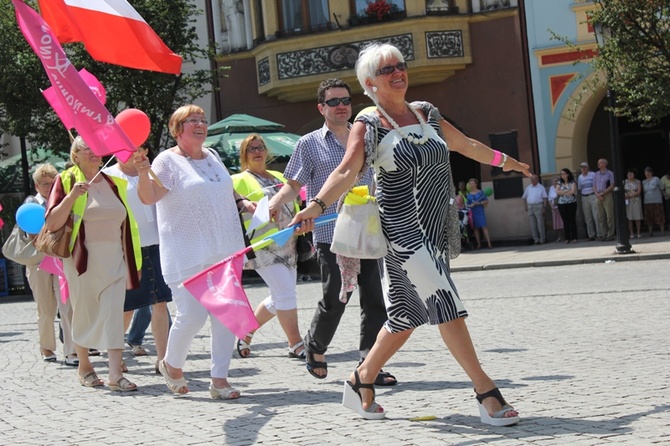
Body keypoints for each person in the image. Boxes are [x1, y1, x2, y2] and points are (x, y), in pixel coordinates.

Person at [288, 42, 529, 425]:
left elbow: (465, 145)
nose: (398, 72)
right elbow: (347, 171)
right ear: (370, 82)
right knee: (445, 300)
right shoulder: (369, 122)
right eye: (387, 70)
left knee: (406, 315)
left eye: (400, 65)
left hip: (434, 232)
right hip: (402, 233)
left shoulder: (426, 113)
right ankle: (486, 392)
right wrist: (315, 205)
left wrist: (508, 162)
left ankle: (360, 379)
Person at [268, 78, 396, 387]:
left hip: (367, 230)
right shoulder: (309, 143)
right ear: (321, 107)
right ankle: (315, 346)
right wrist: (275, 202)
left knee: (375, 298)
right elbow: (294, 184)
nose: (341, 106)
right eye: (334, 102)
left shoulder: (366, 137)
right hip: (330, 233)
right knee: (337, 295)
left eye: (345, 100)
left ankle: (370, 363)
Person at [135, 104, 252, 399]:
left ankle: (219, 379)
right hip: (187, 250)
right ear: (177, 130)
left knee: (225, 314)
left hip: (225, 248)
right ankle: (172, 365)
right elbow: (150, 197)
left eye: (202, 119)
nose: (200, 124)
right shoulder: (166, 161)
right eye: (192, 121)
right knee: (192, 316)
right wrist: (142, 172)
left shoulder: (212, 156)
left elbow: (226, 189)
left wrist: (245, 204)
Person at [44, 137, 142, 391]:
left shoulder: (114, 182)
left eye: (97, 146)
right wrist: (72, 196)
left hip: (115, 258)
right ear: (75, 155)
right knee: (84, 312)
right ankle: (84, 364)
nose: (95, 151)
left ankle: (114, 373)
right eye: (87, 146)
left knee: (112, 313)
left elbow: (127, 224)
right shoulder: (65, 180)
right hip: (82, 260)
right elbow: (52, 223)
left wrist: (134, 259)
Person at [231, 133, 305, 360]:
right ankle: (296, 344)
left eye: (260, 147)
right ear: (244, 155)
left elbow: (295, 202)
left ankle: (246, 333)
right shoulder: (237, 180)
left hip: (288, 242)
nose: (257, 151)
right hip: (262, 246)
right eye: (251, 148)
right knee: (285, 294)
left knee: (279, 297)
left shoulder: (279, 175)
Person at [104, 144, 172, 372]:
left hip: (158, 244)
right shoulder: (109, 175)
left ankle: (163, 359)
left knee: (160, 303)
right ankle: (115, 355)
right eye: (131, 148)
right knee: (126, 307)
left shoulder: (153, 172)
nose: (137, 153)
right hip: (127, 249)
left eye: (141, 147)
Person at [24, 163, 77, 366]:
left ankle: (72, 351)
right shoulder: (32, 204)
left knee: (68, 307)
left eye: (52, 182)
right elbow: (30, 233)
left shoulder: (62, 201)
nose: (48, 187)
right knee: (45, 308)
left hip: (61, 259)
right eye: (44, 184)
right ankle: (46, 347)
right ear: (37, 186)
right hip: (39, 261)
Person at [466, 178, 492, 249]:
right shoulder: (468, 195)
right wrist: (470, 205)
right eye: (470, 184)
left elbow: (486, 201)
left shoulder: (481, 193)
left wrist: (479, 203)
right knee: (476, 228)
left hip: (480, 211)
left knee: (484, 226)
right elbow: (467, 204)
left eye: (472, 183)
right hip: (473, 212)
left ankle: (489, 243)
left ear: (476, 184)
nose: (471, 185)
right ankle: (478, 244)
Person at [522, 174, 547, 245]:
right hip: (530, 206)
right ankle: (536, 239)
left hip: (539, 205)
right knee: (532, 224)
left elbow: (545, 197)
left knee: (540, 223)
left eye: (533, 180)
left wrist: (544, 207)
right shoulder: (528, 187)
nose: (532, 181)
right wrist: (525, 206)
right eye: (531, 180)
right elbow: (523, 197)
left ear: (537, 180)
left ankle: (542, 239)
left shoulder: (541, 187)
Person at [594, 158, 615, 241]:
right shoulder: (596, 174)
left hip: (607, 195)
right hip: (598, 196)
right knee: (601, 216)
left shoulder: (610, 173)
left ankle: (611, 234)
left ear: (605, 164)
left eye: (600, 162)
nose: (598, 164)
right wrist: (598, 195)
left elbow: (612, 185)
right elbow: (594, 186)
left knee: (609, 216)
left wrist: (603, 193)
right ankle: (604, 233)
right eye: (598, 162)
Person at [577, 162, 599, 241]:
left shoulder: (593, 174)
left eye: (585, 167)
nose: (583, 169)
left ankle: (599, 234)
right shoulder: (580, 177)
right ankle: (591, 235)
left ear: (588, 168)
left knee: (596, 216)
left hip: (593, 195)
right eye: (582, 167)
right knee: (588, 217)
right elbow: (579, 188)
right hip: (584, 197)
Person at [555, 168, 578, 244]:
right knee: (565, 221)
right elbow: (557, 192)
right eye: (561, 174)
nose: (563, 175)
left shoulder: (572, 182)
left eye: (564, 173)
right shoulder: (559, 183)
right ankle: (567, 238)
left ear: (568, 174)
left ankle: (574, 237)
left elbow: (573, 191)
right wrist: (567, 191)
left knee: (572, 220)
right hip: (562, 203)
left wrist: (563, 192)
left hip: (571, 202)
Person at [642, 166, 665, 237]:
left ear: (651, 173)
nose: (647, 174)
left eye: (649, 172)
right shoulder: (643, 182)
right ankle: (650, 232)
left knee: (660, 217)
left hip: (657, 201)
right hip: (647, 201)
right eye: (646, 172)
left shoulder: (656, 179)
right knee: (649, 218)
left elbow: (662, 188)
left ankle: (662, 232)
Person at [623, 168, 643, 239]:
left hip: (636, 200)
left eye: (631, 174)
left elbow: (638, 191)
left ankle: (638, 232)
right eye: (628, 174)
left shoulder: (638, 182)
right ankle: (631, 233)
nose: (630, 175)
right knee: (629, 218)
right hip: (628, 201)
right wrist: (626, 195)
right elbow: (622, 191)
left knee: (637, 217)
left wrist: (630, 195)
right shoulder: (624, 182)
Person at [547, 176, 564, 242]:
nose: (555, 182)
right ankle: (559, 237)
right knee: (556, 224)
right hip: (554, 208)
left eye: (556, 181)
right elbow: (549, 199)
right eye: (553, 181)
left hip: (561, 206)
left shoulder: (561, 187)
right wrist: (552, 206)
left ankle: (564, 237)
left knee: (562, 222)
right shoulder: (551, 188)